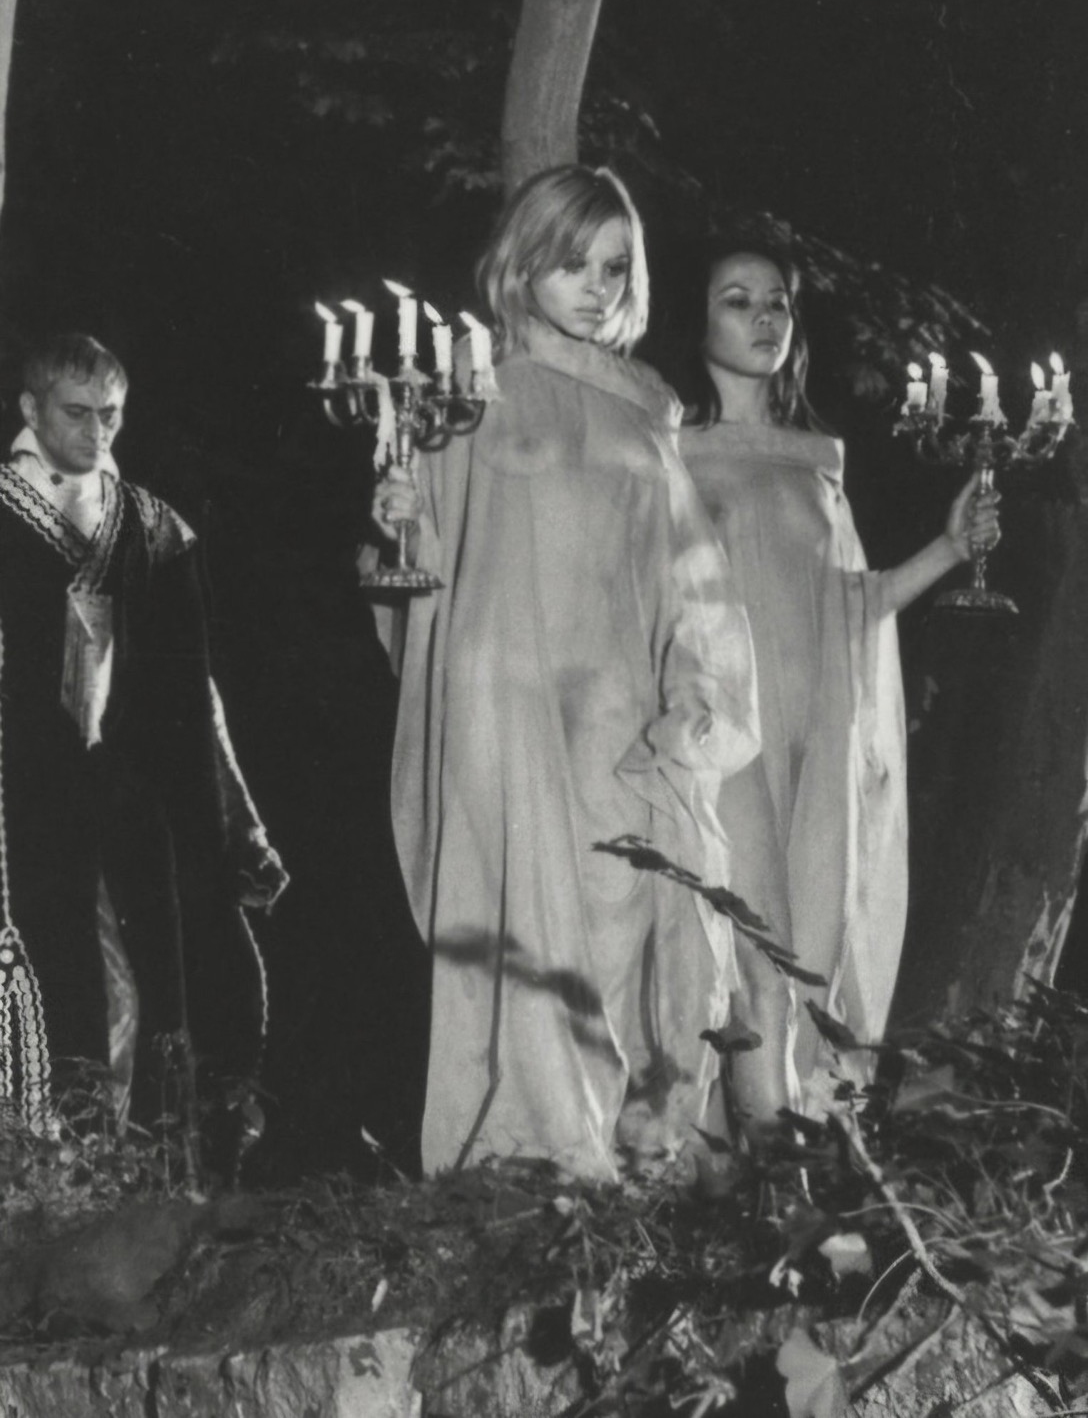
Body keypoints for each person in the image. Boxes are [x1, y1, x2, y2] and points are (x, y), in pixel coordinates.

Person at [370, 166, 760, 1180]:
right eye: (571, 262)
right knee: (519, 933)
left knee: (619, 925)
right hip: (499, 705)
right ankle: (531, 1164)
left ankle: (618, 1157)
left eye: (614, 267)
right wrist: (398, 526)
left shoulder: (646, 414)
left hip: (612, 708)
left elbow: (691, 579)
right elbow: (423, 571)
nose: (594, 286)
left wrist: (695, 693)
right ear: (522, 263)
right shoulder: (469, 391)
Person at [675, 232, 1001, 1128]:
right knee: (759, 959)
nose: (764, 317)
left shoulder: (817, 462)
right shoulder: (672, 452)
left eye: (777, 302)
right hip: (725, 737)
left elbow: (854, 605)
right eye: (738, 300)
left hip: (814, 744)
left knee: (808, 962)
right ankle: (765, 1174)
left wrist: (950, 546)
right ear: (697, 321)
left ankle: (784, 1171)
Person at [0, 333, 286, 1145]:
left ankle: (133, 1169)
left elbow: (193, 695)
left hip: (132, 805)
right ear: (30, 409)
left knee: (149, 985)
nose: (98, 432)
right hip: (19, 803)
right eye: (77, 412)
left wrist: (221, 827)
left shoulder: (157, 529)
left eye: (112, 414)